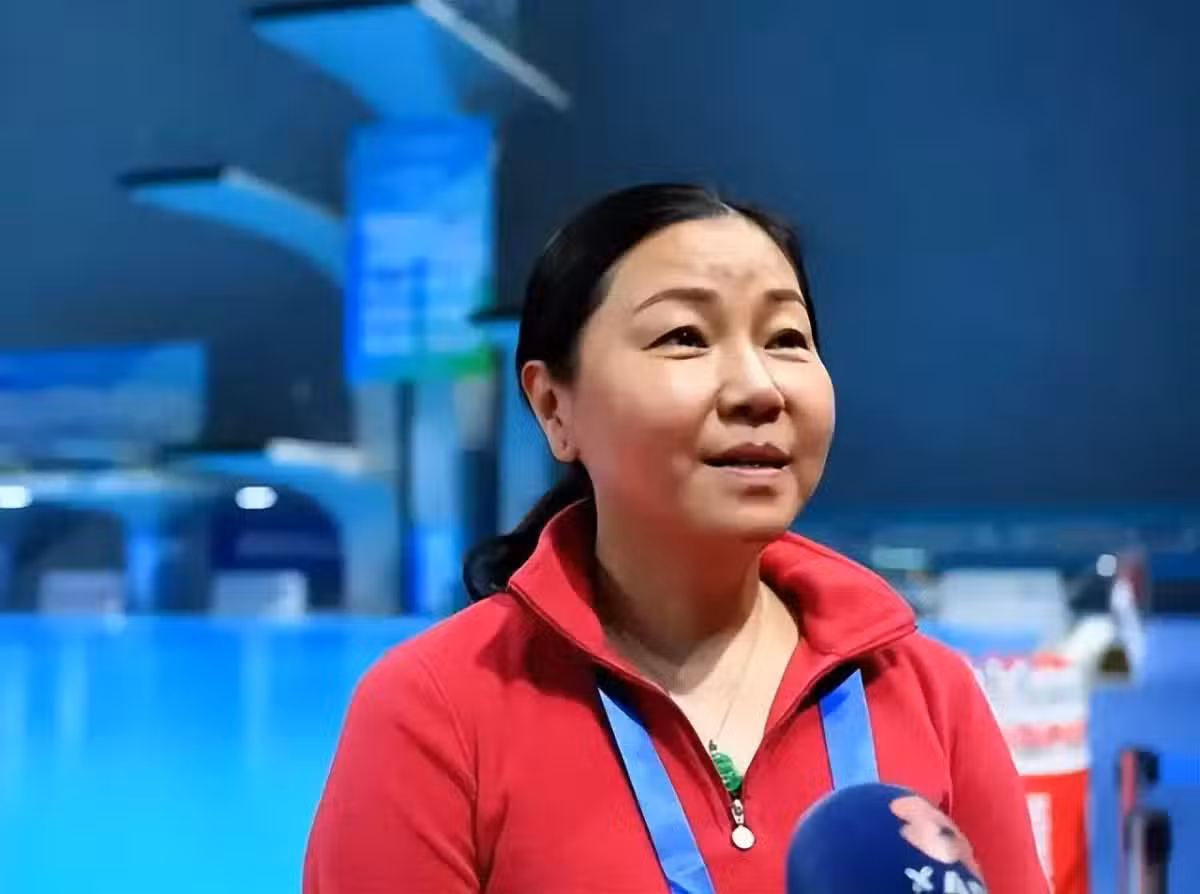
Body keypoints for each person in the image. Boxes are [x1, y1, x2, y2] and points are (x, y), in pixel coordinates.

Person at [303, 183, 1048, 893]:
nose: (759, 389)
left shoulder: (929, 692)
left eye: (787, 338)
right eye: (685, 337)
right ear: (554, 406)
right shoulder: (436, 711)